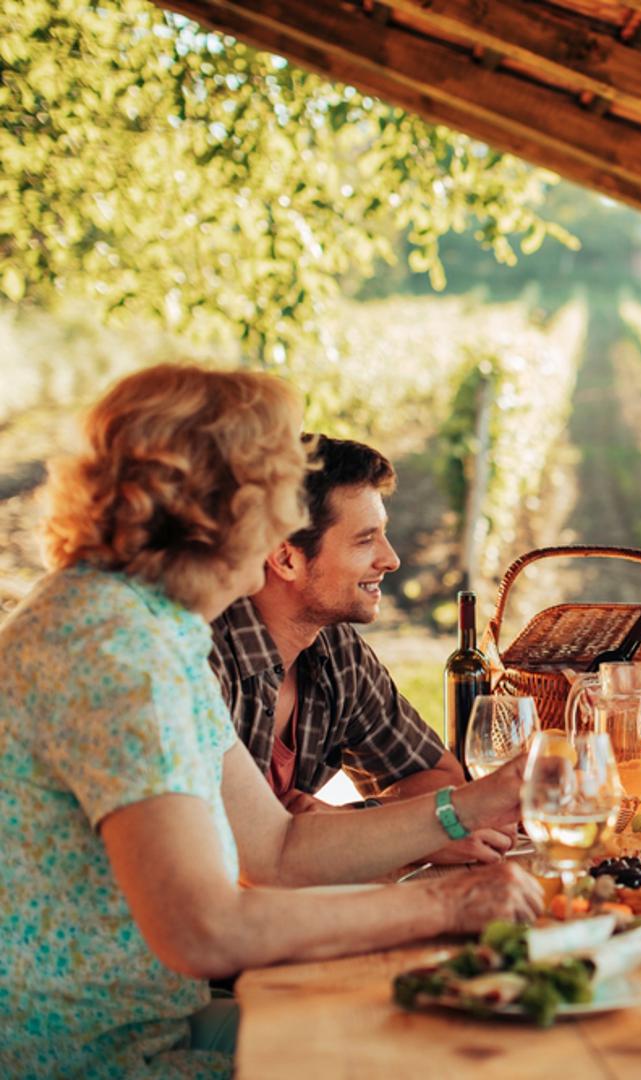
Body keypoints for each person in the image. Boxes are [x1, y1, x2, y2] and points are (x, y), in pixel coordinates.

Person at [0, 364, 545, 1079]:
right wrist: (448, 905)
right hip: (83, 1057)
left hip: (147, 1021)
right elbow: (206, 930)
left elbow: (276, 852)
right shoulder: (116, 649)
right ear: (226, 505)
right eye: (282, 485)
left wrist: (475, 802)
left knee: (442, 1029)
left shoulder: (149, 626)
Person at [209, 434, 509, 863]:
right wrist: (414, 831)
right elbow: (218, 851)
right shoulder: (203, 660)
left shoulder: (334, 649)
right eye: (365, 539)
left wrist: (349, 822)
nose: (391, 559)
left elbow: (440, 777)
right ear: (287, 559)